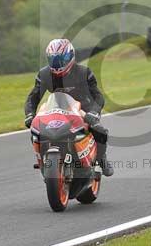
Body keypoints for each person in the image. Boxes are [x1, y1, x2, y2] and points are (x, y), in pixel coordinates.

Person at [24, 38, 113, 176]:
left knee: (100, 131)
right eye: (54, 60)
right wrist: (30, 115)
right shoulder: (44, 74)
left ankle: (101, 159)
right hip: (56, 108)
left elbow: (98, 96)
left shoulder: (84, 72)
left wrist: (94, 112)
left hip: (83, 109)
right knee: (36, 131)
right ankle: (43, 161)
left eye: (61, 60)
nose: (57, 64)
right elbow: (33, 97)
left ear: (70, 56)